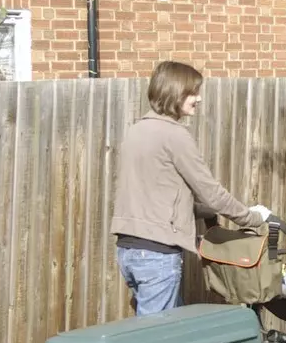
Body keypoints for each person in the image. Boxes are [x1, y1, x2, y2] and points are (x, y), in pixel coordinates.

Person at [111, 61, 271, 314]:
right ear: (174, 92)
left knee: (175, 331)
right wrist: (252, 217)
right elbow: (212, 192)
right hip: (156, 255)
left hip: (128, 251)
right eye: (192, 92)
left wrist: (203, 212)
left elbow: (157, 197)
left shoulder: (136, 131)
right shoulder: (175, 135)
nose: (198, 98)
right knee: (156, 342)